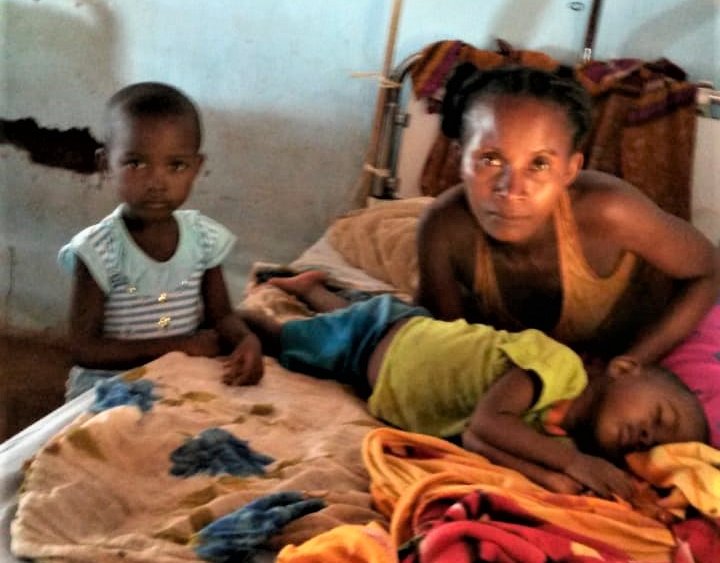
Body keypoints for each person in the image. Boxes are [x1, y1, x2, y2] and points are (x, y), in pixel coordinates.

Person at [244, 272, 708, 501]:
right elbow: (487, 423)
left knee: (336, 322)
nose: (648, 436)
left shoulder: (556, 440)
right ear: (625, 369)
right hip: (386, 337)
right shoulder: (559, 367)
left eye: (656, 444)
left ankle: (313, 288)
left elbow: (478, 443)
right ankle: (232, 317)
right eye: (659, 417)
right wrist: (572, 465)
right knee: (281, 339)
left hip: (373, 372)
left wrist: (554, 479)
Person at [415, 63, 720, 365]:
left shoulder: (610, 212)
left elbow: (710, 270)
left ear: (570, 170)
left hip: (650, 341)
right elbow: (451, 348)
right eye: (490, 159)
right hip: (539, 369)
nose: (511, 189)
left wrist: (633, 361)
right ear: (459, 158)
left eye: (539, 164)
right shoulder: (443, 230)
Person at [59, 82, 263, 398]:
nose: (157, 182)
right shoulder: (98, 250)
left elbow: (222, 316)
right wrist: (178, 346)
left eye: (176, 165)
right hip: (109, 384)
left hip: (180, 377)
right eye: (136, 163)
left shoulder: (203, 238)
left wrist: (247, 341)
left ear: (196, 168)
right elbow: (85, 349)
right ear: (105, 165)